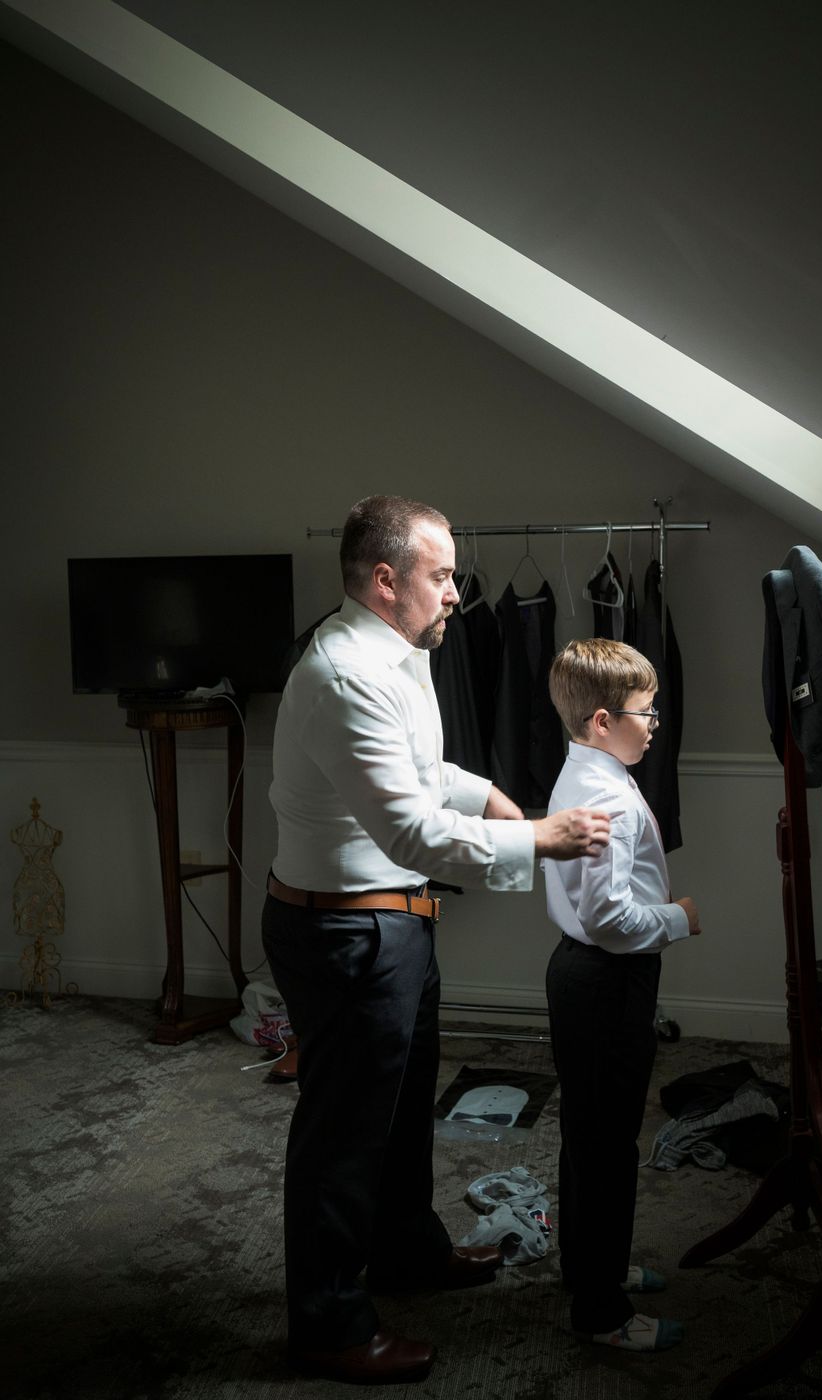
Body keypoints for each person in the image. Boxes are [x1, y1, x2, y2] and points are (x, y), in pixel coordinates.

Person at [261, 495, 612, 1385]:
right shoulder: (345, 673)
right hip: (345, 929)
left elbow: (420, 773)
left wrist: (487, 793)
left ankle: (406, 1253)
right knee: (343, 1134)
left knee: (404, 1108)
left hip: (393, 921)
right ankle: (327, 1326)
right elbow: (409, 831)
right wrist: (538, 838)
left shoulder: (399, 651)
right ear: (387, 581)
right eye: (442, 575)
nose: (456, 591)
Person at [543, 637, 702, 1352]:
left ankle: (588, 1270)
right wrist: (679, 919)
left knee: (588, 1135)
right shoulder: (606, 796)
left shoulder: (586, 769)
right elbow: (610, 920)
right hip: (607, 979)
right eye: (646, 712)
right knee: (609, 1147)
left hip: (581, 973)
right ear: (603, 721)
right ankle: (602, 1312)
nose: (656, 723)